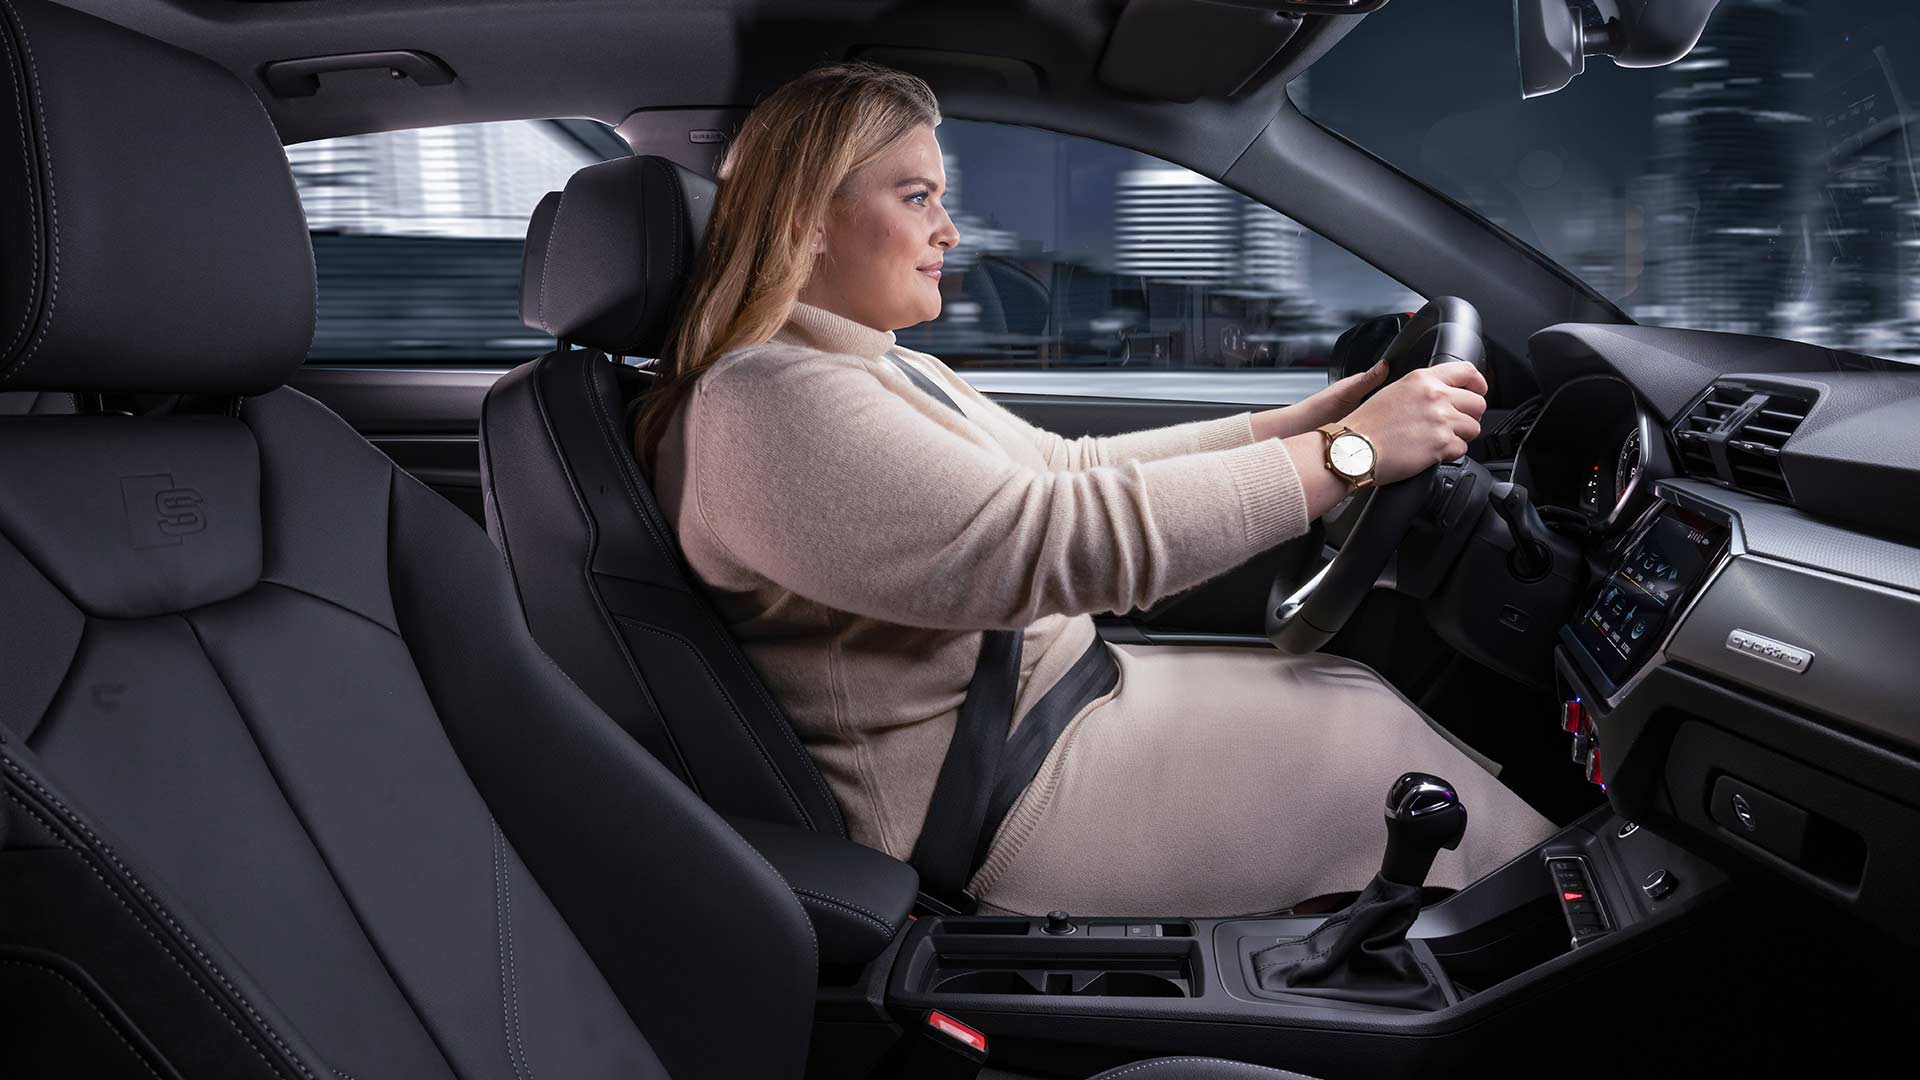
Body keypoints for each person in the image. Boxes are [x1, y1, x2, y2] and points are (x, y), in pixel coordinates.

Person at [635, 62, 1555, 916]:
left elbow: (1068, 467)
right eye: (917, 199)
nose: (946, 232)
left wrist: (1316, 421)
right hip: (998, 794)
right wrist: (1350, 456)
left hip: (1047, 714)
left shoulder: (870, 367)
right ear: (806, 218)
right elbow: (1044, 541)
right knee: (1388, 763)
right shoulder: (763, 405)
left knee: (1351, 693)